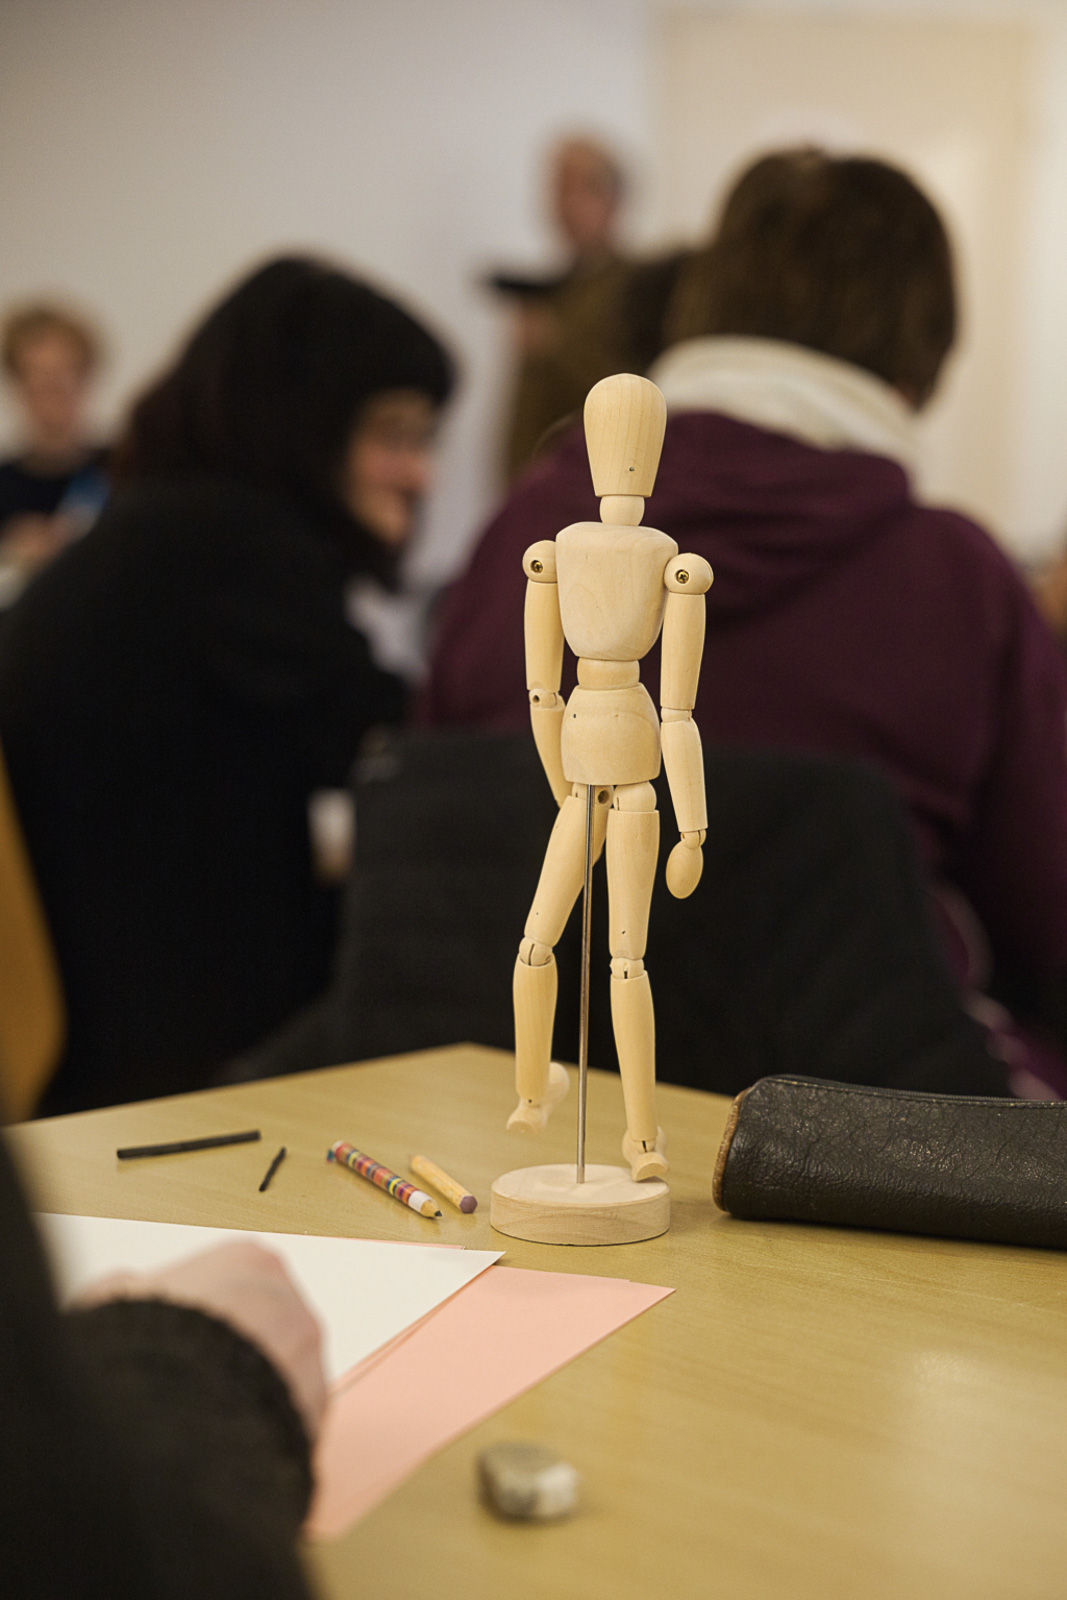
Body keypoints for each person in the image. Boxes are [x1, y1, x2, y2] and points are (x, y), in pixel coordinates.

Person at [423, 148, 1067, 1089]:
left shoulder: (519, 531)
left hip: (508, 1084)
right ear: (916, 362)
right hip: (851, 1115)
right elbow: (1046, 909)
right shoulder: (958, 580)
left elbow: (435, 814)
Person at [0, 255, 454, 1114]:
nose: (420, 475)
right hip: (161, 1074)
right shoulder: (227, 543)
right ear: (302, 425)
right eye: (393, 435)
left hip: (117, 1035)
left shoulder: (162, 523)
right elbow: (399, 742)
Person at [489, 135, 636, 479]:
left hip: (594, 485)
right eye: (558, 189)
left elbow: (637, 392)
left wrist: (557, 346)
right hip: (535, 481)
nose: (565, 204)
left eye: (581, 189)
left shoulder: (638, 288)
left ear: (613, 199)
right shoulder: (554, 289)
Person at [0, 302, 109, 606]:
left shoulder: (126, 471)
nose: (51, 389)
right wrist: (11, 555)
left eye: (63, 373)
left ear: (86, 377)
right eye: (37, 375)